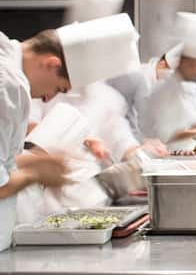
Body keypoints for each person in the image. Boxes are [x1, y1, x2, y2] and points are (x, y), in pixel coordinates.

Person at [0, 13, 140, 249]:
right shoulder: (9, 85)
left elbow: (5, 164)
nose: (48, 98)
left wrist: (34, 165)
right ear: (51, 64)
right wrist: (36, 174)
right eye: (59, 88)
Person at [137, 12, 196, 149]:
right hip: (165, 158)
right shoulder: (164, 92)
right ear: (182, 62)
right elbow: (165, 136)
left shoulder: (186, 88)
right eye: (193, 65)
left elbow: (193, 120)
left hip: (184, 154)